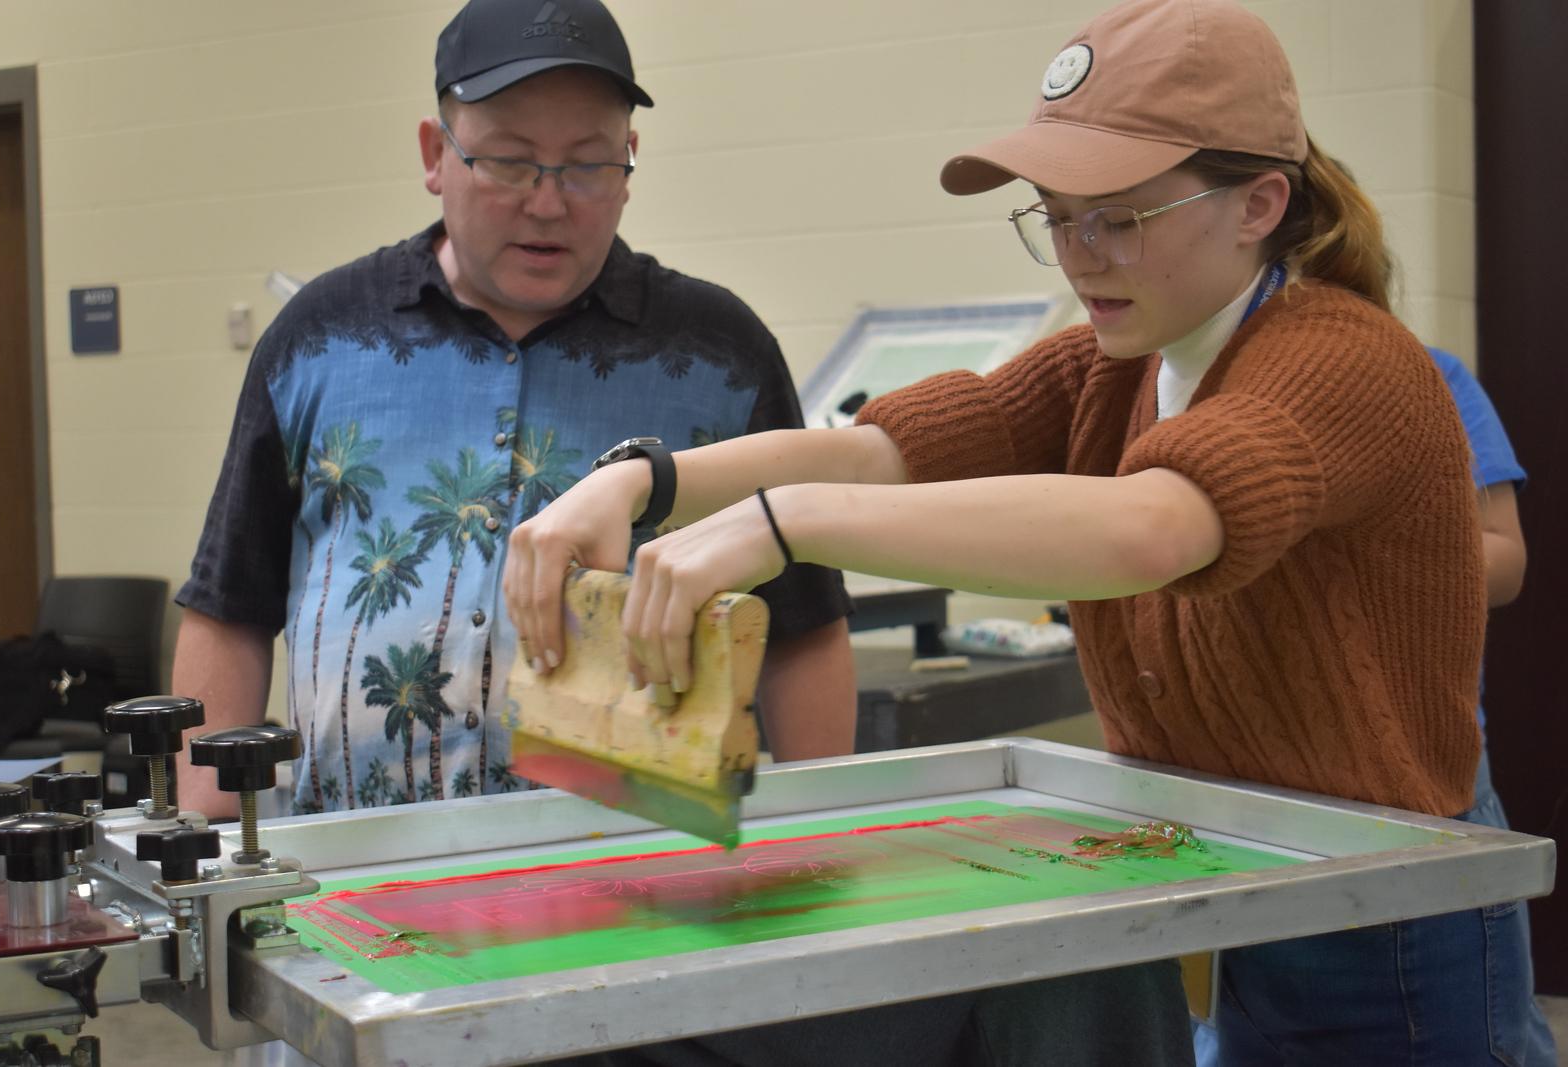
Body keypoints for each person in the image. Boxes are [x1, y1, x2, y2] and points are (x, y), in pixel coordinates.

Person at [503, 0, 1545, 1062]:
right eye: (1056, 215)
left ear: (1258, 203)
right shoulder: (1119, 361)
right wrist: (642, 481)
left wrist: (784, 526)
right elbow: (878, 448)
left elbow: (1154, 525)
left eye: (1120, 217)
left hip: (1387, 911)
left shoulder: (1340, 358)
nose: (1080, 254)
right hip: (1235, 872)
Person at [170, 0, 856, 823]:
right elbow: (231, 606)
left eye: (587, 165)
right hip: (357, 887)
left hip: (649, 886)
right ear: (436, 153)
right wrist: (206, 843)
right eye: (510, 161)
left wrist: (826, 832)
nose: (548, 202)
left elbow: (804, 626)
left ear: (630, 160)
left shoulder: (721, 356)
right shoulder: (319, 340)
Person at [1192, 346, 1554, 1065]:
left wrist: (1367, 554)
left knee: (1470, 1036)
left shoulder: (1423, 375)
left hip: (1408, 790)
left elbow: (1504, 558)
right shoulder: (1187, 380)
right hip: (1228, 805)